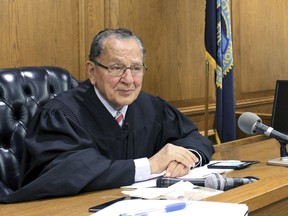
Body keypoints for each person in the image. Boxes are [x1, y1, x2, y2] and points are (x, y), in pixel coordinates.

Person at [0, 28, 214, 203]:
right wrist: (150, 166)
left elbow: (194, 138)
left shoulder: (151, 107)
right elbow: (68, 172)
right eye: (116, 68)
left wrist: (187, 158)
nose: (129, 79)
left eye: (136, 68)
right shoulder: (61, 115)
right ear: (92, 71)